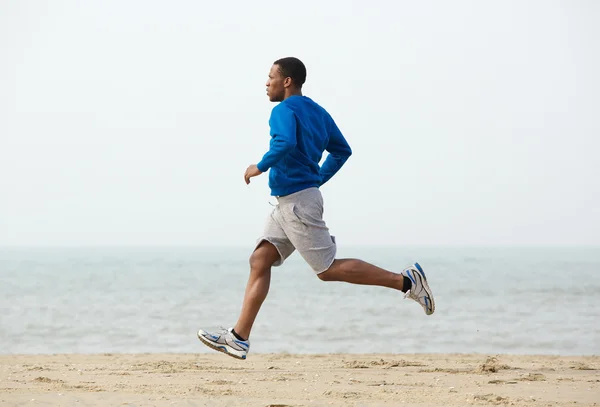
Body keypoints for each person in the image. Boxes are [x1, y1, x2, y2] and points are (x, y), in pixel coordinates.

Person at [197, 57, 434, 360]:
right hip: (290, 201)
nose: (266, 83)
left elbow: (283, 143)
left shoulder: (282, 110)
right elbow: (341, 150)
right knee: (260, 259)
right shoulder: (318, 112)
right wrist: (316, 179)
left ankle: (407, 281)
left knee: (327, 269)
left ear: (287, 81)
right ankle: (239, 337)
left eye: (271, 77)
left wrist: (259, 166)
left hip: (297, 203)